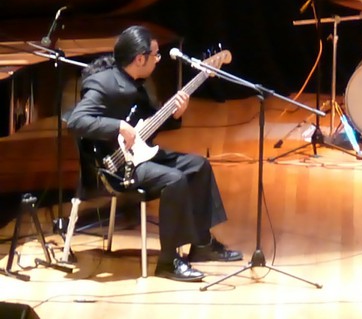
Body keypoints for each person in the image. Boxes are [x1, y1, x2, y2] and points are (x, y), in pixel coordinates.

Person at [66, 25, 242, 282]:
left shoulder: (139, 84)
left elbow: (147, 128)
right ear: (140, 59)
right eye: (155, 55)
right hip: (115, 167)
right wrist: (117, 126)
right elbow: (76, 121)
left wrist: (175, 114)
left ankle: (202, 244)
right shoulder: (103, 84)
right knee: (174, 180)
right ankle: (169, 261)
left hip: (139, 155)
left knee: (198, 165)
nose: (158, 60)